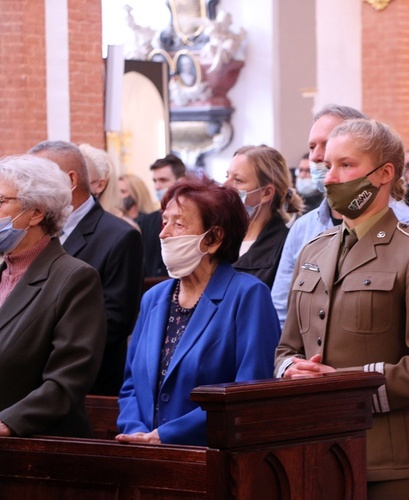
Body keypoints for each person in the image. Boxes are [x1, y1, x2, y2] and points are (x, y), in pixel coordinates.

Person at [275, 119, 409, 499]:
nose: (329, 178)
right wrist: (293, 369)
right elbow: (286, 349)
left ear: (385, 173)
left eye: (346, 165)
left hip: (390, 459)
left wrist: (347, 386)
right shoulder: (314, 249)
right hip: (316, 449)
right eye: (327, 166)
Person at [117, 176, 280, 446]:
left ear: (214, 238)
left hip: (213, 455)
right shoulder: (153, 298)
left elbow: (249, 391)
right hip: (145, 454)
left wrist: (167, 436)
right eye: (164, 221)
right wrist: (136, 432)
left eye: (178, 224)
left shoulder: (248, 295)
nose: (163, 233)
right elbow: (131, 385)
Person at [270, 104, 409, 329]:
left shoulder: (405, 229)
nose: (317, 156)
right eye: (312, 147)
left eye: (328, 144)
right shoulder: (304, 229)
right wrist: (288, 362)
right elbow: (281, 311)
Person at [0, 155, 106, 438]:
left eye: (0, 202)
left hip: (37, 447)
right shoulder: (2, 271)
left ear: (36, 213)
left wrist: (9, 422)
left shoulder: (73, 278)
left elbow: (69, 377)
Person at [29, 141, 143, 396]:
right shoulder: (32, 231)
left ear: (70, 181)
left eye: (38, 180)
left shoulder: (119, 236)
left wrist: (34, 342)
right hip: (30, 381)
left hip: (85, 386)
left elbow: (115, 320)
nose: (30, 190)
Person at [225, 145, 303, 288]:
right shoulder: (219, 239)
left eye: (238, 180)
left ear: (266, 193)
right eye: (227, 176)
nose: (225, 186)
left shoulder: (285, 246)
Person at [141, 154, 189, 278]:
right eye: (155, 181)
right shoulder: (148, 221)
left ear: (181, 181)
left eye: (163, 180)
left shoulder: (193, 218)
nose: (157, 187)